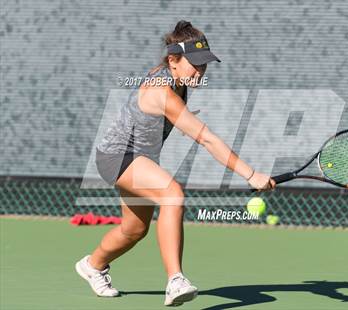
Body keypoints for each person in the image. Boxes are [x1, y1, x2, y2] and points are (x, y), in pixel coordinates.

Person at [75, 20, 275, 306]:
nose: (201, 70)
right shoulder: (163, 91)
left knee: (133, 230)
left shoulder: (176, 81)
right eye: (195, 64)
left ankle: (93, 266)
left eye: (204, 64)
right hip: (118, 157)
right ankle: (175, 280)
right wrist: (251, 174)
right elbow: (206, 138)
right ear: (173, 60)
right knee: (172, 194)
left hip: (136, 158)